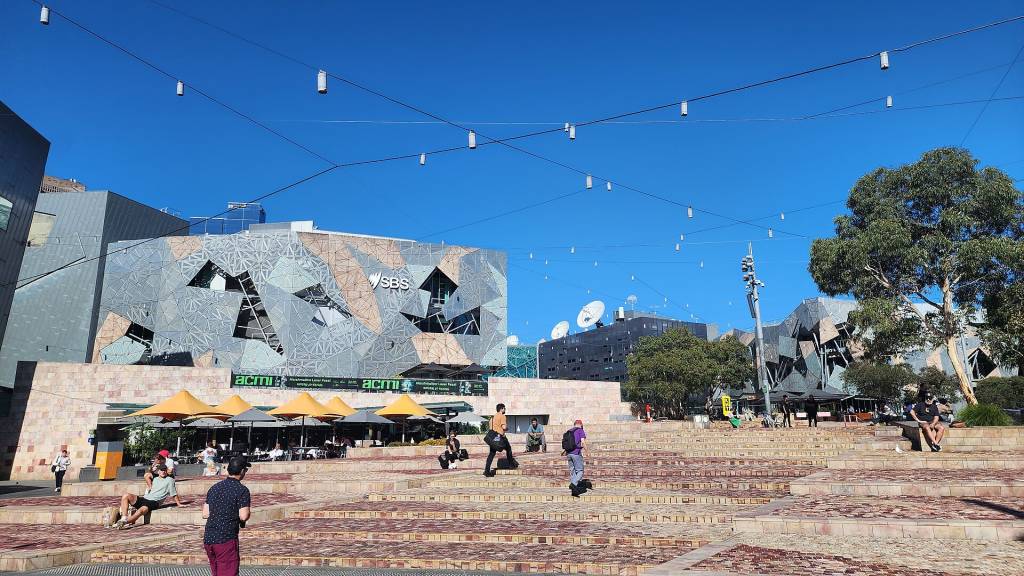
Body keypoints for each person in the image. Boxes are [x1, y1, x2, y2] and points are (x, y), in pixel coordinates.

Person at [202, 456, 251, 576]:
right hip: (226, 538)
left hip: (209, 538)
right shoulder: (241, 490)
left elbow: (205, 513)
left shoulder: (214, 488)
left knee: (216, 572)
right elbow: (243, 516)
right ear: (242, 471)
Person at [111, 464, 185, 529]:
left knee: (141, 510)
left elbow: (173, 493)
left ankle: (125, 522)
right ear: (158, 471)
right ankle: (124, 518)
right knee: (126, 495)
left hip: (154, 502)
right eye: (161, 470)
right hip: (145, 498)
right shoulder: (155, 478)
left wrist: (178, 504)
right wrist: (151, 469)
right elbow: (148, 474)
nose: (163, 472)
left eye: (164, 470)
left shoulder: (170, 480)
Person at [483, 403, 515, 477]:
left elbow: (491, 428)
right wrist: (507, 428)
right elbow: (504, 427)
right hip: (501, 437)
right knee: (508, 449)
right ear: (502, 409)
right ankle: (511, 465)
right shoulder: (502, 416)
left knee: (491, 454)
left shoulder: (492, 418)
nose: (505, 410)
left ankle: (487, 471)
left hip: (493, 438)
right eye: (504, 408)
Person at [563, 419, 589, 497]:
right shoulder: (580, 430)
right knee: (580, 470)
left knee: (573, 470)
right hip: (576, 453)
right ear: (581, 424)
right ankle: (573, 484)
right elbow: (583, 442)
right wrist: (587, 451)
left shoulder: (569, 431)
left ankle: (574, 490)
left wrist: (564, 451)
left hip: (569, 454)